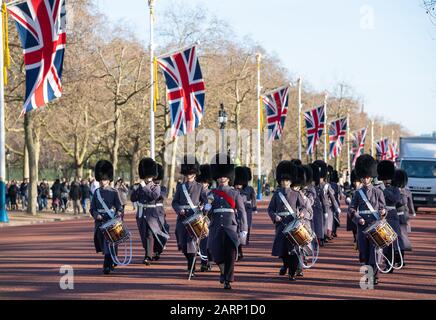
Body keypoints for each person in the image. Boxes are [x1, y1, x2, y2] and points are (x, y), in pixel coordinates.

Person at [206, 153, 248, 290]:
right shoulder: (211, 193)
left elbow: (242, 212)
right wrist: (207, 207)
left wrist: (244, 230)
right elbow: (207, 214)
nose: (222, 178)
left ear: (228, 177)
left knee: (230, 254)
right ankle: (223, 271)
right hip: (216, 227)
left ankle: (228, 279)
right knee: (216, 253)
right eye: (220, 176)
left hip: (231, 227)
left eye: (224, 175)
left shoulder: (235, 193)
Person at [268, 161, 309, 281]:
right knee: (282, 249)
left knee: (294, 249)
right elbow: (270, 209)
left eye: (286, 180)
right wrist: (274, 217)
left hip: (292, 223)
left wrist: (302, 213)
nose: (284, 183)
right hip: (281, 225)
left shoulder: (296, 194)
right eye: (282, 181)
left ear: (290, 181)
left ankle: (291, 272)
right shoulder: (277, 194)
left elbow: (304, 207)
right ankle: (285, 264)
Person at [348, 154, 386, 285]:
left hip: (375, 225)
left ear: (371, 177)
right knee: (364, 252)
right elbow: (351, 209)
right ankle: (369, 275)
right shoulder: (357, 193)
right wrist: (358, 218)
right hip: (363, 226)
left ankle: (373, 276)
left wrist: (383, 212)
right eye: (363, 177)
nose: (365, 179)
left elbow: (383, 208)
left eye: (367, 177)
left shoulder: (378, 192)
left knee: (375, 252)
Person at [172, 155, 207, 277]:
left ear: (194, 173)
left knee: (191, 243)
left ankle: (191, 268)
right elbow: (174, 202)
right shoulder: (180, 187)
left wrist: (203, 207)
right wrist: (179, 209)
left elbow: (205, 200)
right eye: (187, 173)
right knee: (182, 242)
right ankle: (190, 261)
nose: (188, 175)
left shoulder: (199, 186)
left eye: (190, 173)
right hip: (182, 218)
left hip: (194, 218)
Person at [90, 160, 123, 275]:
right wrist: (96, 215)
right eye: (101, 179)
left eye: (104, 179)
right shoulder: (96, 192)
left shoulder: (114, 192)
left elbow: (119, 207)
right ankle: (111, 260)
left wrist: (119, 213)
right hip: (100, 221)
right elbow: (92, 209)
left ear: (109, 180)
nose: (102, 181)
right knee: (104, 244)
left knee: (109, 243)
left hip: (111, 220)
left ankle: (106, 265)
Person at [131, 158, 165, 266]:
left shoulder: (156, 187)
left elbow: (154, 196)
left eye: (150, 176)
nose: (148, 178)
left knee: (149, 234)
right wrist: (136, 189)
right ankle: (148, 252)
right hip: (141, 214)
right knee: (143, 235)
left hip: (152, 214)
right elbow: (132, 198)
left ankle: (148, 256)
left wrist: (144, 187)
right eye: (146, 176)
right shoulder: (139, 186)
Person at [376, 160, 405, 273]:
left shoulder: (394, 188)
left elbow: (395, 199)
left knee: (392, 241)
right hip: (381, 216)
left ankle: (392, 263)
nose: (385, 180)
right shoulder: (378, 188)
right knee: (384, 242)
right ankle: (387, 263)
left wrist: (384, 190)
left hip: (392, 216)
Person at [313, 160, 340, 244]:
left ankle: (323, 237)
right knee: (317, 223)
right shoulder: (314, 185)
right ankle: (318, 237)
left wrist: (336, 207)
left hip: (327, 207)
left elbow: (332, 197)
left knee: (325, 224)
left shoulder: (326, 185)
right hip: (316, 207)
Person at [233, 166, 257, 260]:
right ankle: (238, 251)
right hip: (235, 211)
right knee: (235, 230)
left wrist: (254, 208)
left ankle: (240, 249)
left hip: (246, 211)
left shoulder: (249, 189)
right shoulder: (233, 189)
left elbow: (253, 198)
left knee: (244, 230)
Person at [392, 169, 413, 267]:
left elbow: (410, 204)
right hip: (394, 215)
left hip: (403, 216)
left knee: (402, 238)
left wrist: (412, 212)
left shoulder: (407, 191)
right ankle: (394, 258)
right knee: (393, 238)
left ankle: (400, 259)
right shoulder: (393, 190)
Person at [195, 164, 214, 272]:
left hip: (209, 219)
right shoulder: (197, 191)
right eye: (201, 182)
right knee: (201, 242)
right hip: (199, 219)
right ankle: (203, 262)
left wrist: (206, 209)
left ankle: (209, 261)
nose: (203, 184)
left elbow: (210, 203)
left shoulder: (211, 192)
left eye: (205, 182)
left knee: (208, 242)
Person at [152, 163, 170, 261]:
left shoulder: (162, 188)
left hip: (160, 214)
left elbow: (160, 196)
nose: (156, 181)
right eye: (155, 180)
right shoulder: (148, 188)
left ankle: (158, 250)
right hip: (150, 214)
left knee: (163, 231)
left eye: (157, 180)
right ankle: (154, 252)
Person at [346, 170, 360, 249]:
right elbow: (347, 195)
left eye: (357, 181)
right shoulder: (351, 189)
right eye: (354, 182)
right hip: (352, 210)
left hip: (360, 211)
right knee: (353, 227)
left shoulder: (362, 189)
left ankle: (358, 240)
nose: (355, 183)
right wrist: (348, 199)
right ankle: (355, 239)